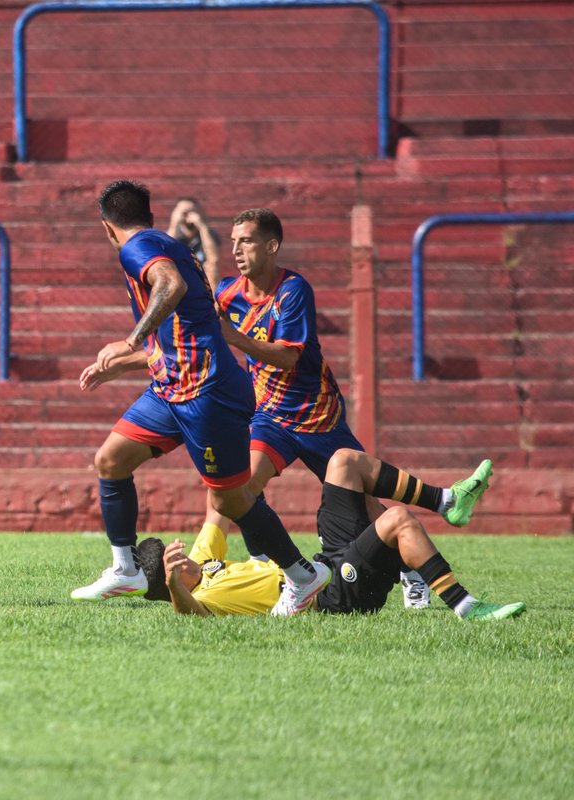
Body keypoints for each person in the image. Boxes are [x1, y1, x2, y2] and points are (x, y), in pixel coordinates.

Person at [198, 207, 491, 610]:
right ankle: (269, 563)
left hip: (318, 419)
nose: (237, 250)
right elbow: (200, 330)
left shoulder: (294, 291)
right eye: (233, 242)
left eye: (245, 240)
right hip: (270, 419)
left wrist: (233, 337)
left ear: (271, 245)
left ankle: (411, 569)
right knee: (239, 490)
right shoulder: (228, 294)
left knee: (365, 502)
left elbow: (286, 358)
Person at [72, 180, 330, 615]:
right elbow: (184, 331)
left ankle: (303, 577)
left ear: (106, 226)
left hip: (206, 393)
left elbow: (169, 288)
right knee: (111, 460)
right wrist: (135, 360)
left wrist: (130, 341)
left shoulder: (135, 248)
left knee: (230, 499)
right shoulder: (163, 243)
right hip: (172, 388)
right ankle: (127, 569)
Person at [134, 448, 524, 621]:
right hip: (333, 597)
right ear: (171, 582)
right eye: (174, 564)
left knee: (343, 463)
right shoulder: (203, 599)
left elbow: (215, 507)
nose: (183, 558)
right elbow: (191, 614)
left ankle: (445, 501)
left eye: (175, 553)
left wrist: (212, 441)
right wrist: (173, 587)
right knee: (398, 520)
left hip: (323, 565)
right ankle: (467, 607)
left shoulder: (203, 561)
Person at [166, 197, 222, 288]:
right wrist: (174, 224)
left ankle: (213, 301)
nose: (188, 216)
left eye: (192, 212)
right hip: (179, 276)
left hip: (202, 278)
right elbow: (165, 254)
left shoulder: (208, 235)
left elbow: (214, 259)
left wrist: (202, 226)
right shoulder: (172, 235)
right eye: (184, 212)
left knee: (212, 269)